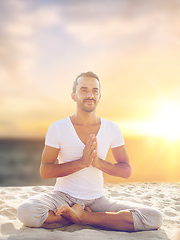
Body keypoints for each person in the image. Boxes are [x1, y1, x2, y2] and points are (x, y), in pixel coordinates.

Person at [17, 72, 163, 231]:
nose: (90, 95)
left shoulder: (112, 128)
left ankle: (82, 217)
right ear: (73, 95)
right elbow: (45, 171)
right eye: (84, 90)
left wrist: (98, 163)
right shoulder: (58, 128)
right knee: (26, 211)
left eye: (94, 91)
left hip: (97, 201)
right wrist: (82, 163)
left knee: (154, 217)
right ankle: (77, 215)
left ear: (99, 96)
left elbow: (125, 170)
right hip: (63, 196)